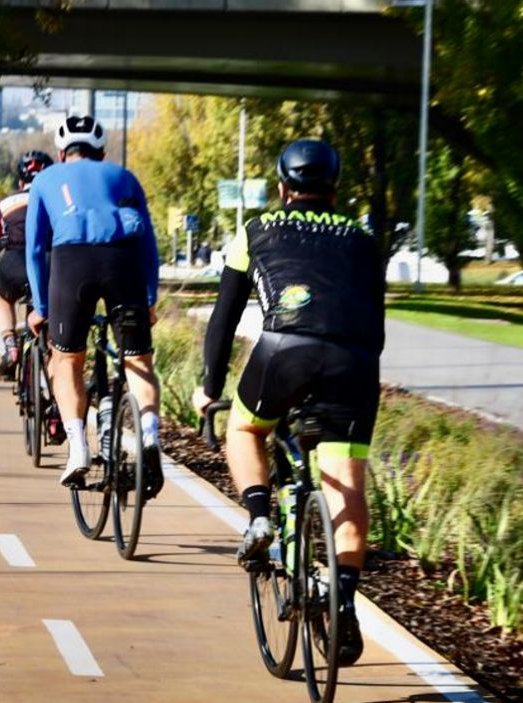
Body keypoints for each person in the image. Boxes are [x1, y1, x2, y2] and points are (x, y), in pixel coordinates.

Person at [192, 138, 384, 666]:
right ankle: (342, 595)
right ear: (336, 189)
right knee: (346, 476)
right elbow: (373, 317)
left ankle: (258, 516)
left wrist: (210, 387)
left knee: (246, 429)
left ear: (282, 188)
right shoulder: (365, 239)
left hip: (284, 351)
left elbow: (225, 317)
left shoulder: (256, 230)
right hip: (354, 360)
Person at [25, 115, 164, 497]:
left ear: (60, 153)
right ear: (102, 153)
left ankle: (78, 450)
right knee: (138, 361)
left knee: (67, 360)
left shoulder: (44, 180)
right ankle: (150, 436)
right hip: (124, 263)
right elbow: (149, 245)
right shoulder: (125, 176)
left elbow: (36, 249)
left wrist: (40, 306)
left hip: (73, 265)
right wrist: (150, 297)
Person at [0, 150, 54, 380]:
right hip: (49, 263)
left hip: (13, 264)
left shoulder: (5, 204)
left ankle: (10, 344)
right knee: (53, 332)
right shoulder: (59, 200)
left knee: (1, 298)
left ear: (20, 182)